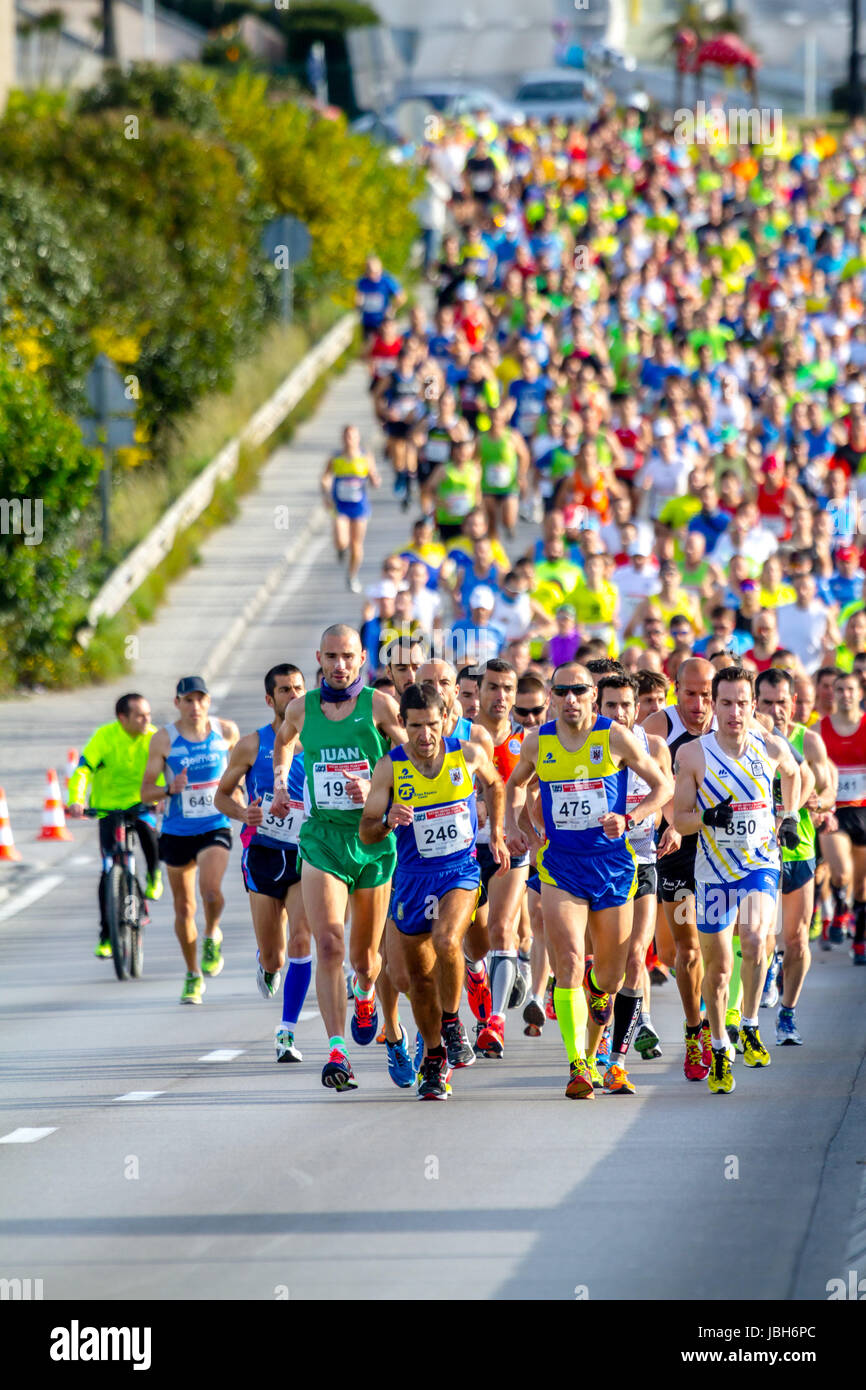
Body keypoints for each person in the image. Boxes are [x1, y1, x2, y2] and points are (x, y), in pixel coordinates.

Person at [505, 662, 671, 1099]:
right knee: (571, 962)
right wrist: (515, 824)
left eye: (580, 690)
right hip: (561, 866)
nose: (571, 699)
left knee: (611, 978)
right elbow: (515, 784)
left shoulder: (614, 735)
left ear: (591, 695)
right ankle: (578, 1065)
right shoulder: (538, 740)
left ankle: (600, 1000)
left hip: (614, 865)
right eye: (563, 692)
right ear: (552, 697)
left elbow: (663, 787)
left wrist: (630, 816)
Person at [269, 625, 405, 1091]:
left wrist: (378, 791)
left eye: (347, 656)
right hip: (321, 839)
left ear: (362, 658)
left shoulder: (380, 706)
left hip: (371, 839)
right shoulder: (301, 708)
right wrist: (283, 782)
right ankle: (337, 1050)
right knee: (328, 942)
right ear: (319, 658)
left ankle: (365, 992)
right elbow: (283, 741)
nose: (339, 665)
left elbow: (411, 758)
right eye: (331, 656)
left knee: (366, 959)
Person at [360, 683, 507, 1098]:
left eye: (431, 724)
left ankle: (452, 1022)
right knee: (417, 981)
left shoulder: (468, 752)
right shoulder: (389, 768)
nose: (424, 735)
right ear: (402, 727)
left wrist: (495, 832)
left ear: (446, 718)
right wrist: (388, 819)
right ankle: (433, 1057)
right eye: (414, 727)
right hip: (411, 877)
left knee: (447, 940)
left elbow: (495, 785)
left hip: (459, 870)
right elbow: (367, 831)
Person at [672, 667, 800, 1093]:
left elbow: (794, 774)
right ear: (712, 703)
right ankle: (721, 1046)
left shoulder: (769, 745)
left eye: (742, 703)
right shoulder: (693, 755)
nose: (734, 712)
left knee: (755, 937)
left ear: (752, 705)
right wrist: (708, 817)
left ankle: (749, 1023)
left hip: (759, 864)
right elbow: (680, 820)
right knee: (720, 969)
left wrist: (790, 816)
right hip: (712, 875)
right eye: (724, 702)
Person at [214, 664, 312, 1062]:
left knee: (303, 940)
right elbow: (221, 796)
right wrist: (243, 814)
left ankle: (286, 1032)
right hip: (265, 852)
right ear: (270, 700)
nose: (293, 696)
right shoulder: (253, 745)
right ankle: (265, 962)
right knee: (276, 955)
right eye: (285, 690)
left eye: (299, 689)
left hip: (309, 853)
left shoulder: (322, 738)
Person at [140, 677, 239, 1004]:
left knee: (210, 890)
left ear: (208, 702)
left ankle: (212, 932)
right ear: (177, 703)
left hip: (215, 824)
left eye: (200, 700)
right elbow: (146, 792)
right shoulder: (163, 739)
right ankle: (193, 974)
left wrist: (241, 796)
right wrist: (170, 789)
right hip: (177, 830)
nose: (194, 706)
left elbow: (243, 771)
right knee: (183, 908)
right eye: (188, 700)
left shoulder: (225, 731)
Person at [595, 673, 672, 1078]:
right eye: (612, 706)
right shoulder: (587, 746)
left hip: (641, 860)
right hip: (597, 867)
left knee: (637, 953)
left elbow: (666, 789)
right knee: (605, 964)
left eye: (628, 704)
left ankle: (618, 1059)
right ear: (599, 706)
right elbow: (541, 795)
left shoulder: (653, 745)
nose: (622, 713)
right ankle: (597, 1036)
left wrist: (667, 825)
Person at [643, 658, 716, 1081]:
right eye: (690, 693)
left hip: (724, 850)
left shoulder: (731, 719)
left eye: (707, 694)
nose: (699, 704)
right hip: (680, 852)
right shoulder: (657, 727)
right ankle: (695, 1030)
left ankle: (722, 1022)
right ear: (675, 689)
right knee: (679, 952)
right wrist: (670, 821)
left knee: (718, 946)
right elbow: (657, 783)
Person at [754, 668, 836, 1042]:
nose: (776, 710)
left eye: (782, 702)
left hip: (797, 847)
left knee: (798, 938)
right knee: (763, 936)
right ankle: (768, 972)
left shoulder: (809, 741)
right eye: (768, 702)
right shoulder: (749, 739)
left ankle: (787, 1013)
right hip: (755, 851)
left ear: (794, 703)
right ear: (756, 703)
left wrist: (817, 804)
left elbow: (825, 788)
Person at [67, 693, 164, 959]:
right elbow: (83, 769)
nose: (147, 720)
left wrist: (164, 796)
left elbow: (167, 769)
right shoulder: (104, 737)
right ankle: (106, 935)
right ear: (123, 718)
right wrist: (76, 801)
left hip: (141, 804)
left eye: (148, 715)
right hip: (108, 807)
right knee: (108, 870)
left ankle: (154, 874)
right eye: (140, 716)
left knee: (148, 832)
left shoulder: (154, 737)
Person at [471, 659, 531, 1058]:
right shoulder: (461, 738)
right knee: (471, 945)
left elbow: (539, 789)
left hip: (509, 848)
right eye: (493, 687)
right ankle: (484, 981)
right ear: (478, 692)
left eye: (508, 689)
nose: (501, 696)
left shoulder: (529, 742)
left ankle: (495, 1022)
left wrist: (531, 828)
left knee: (502, 929)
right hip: (464, 848)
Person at [819, 670, 866, 962]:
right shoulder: (819, 729)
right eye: (840, 690)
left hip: (864, 810)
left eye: (851, 690)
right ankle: (838, 906)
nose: (845, 695)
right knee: (840, 873)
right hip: (834, 813)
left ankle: (859, 940)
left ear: (860, 694)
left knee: (861, 886)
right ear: (833, 694)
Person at [320, 425, 380, 594]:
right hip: (340, 506)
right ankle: (340, 549)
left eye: (353, 436)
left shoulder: (365, 457)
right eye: (347, 436)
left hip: (359, 506)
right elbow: (325, 477)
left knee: (356, 545)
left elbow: (373, 475)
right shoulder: (336, 458)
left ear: (358, 439)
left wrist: (375, 480)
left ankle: (352, 575)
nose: (350, 440)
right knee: (342, 540)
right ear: (343, 439)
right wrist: (325, 493)